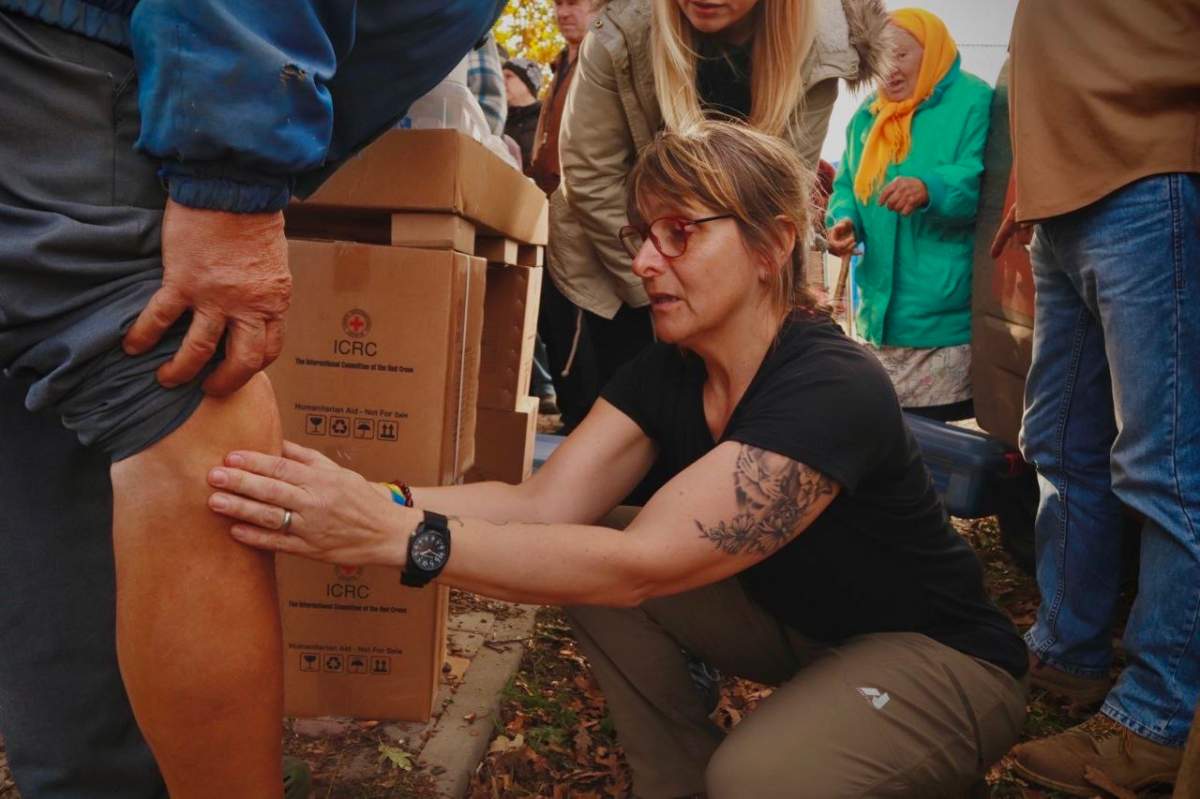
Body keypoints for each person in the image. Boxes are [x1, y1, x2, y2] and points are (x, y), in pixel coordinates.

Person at [205, 121, 1029, 799]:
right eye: (643, 235)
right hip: (802, 626)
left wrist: (397, 537)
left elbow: (639, 566)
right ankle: (675, 779)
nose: (642, 262)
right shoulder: (671, 368)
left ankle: (899, 760)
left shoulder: (831, 382)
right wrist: (374, 494)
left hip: (938, 654)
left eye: (680, 234)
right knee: (583, 537)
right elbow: (542, 508)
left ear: (772, 244)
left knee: (760, 778)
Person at [0, 3, 503, 797]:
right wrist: (229, 172)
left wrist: (404, 521)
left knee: (48, 442)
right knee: (195, 411)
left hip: (79, 59)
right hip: (103, 59)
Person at [989, 0, 1199, 793]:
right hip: (1061, 199)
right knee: (1061, 442)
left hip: (1150, 177)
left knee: (1166, 464)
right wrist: (1032, 182)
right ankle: (1067, 646)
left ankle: (1157, 719)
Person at [547, 0, 891, 418]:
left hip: (739, 292)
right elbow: (590, 176)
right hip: (622, 275)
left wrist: (739, 306)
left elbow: (784, 194)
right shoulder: (621, 29)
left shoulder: (825, 47)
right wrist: (660, 293)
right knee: (635, 431)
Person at [825, 9, 991, 422]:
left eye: (901, 55)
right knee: (888, 436)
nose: (890, 70)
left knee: (942, 445)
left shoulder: (974, 100)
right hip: (879, 317)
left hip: (945, 319)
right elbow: (847, 185)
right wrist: (844, 221)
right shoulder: (866, 117)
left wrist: (930, 188)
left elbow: (983, 182)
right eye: (881, 56)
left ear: (932, 49)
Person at [531, 0, 604, 432]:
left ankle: (590, 418)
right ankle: (575, 411)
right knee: (554, 318)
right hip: (547, 205)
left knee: (585, 321)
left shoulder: (602, 59)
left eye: (574, 3)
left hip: (584, 205)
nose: (563, 12)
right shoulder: (560, 64)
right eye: (558, 4)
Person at [502, 57, 543, 169]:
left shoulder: (547, 120)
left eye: (508, 76)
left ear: (528, 83)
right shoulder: (500, 121)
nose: (501, 80)